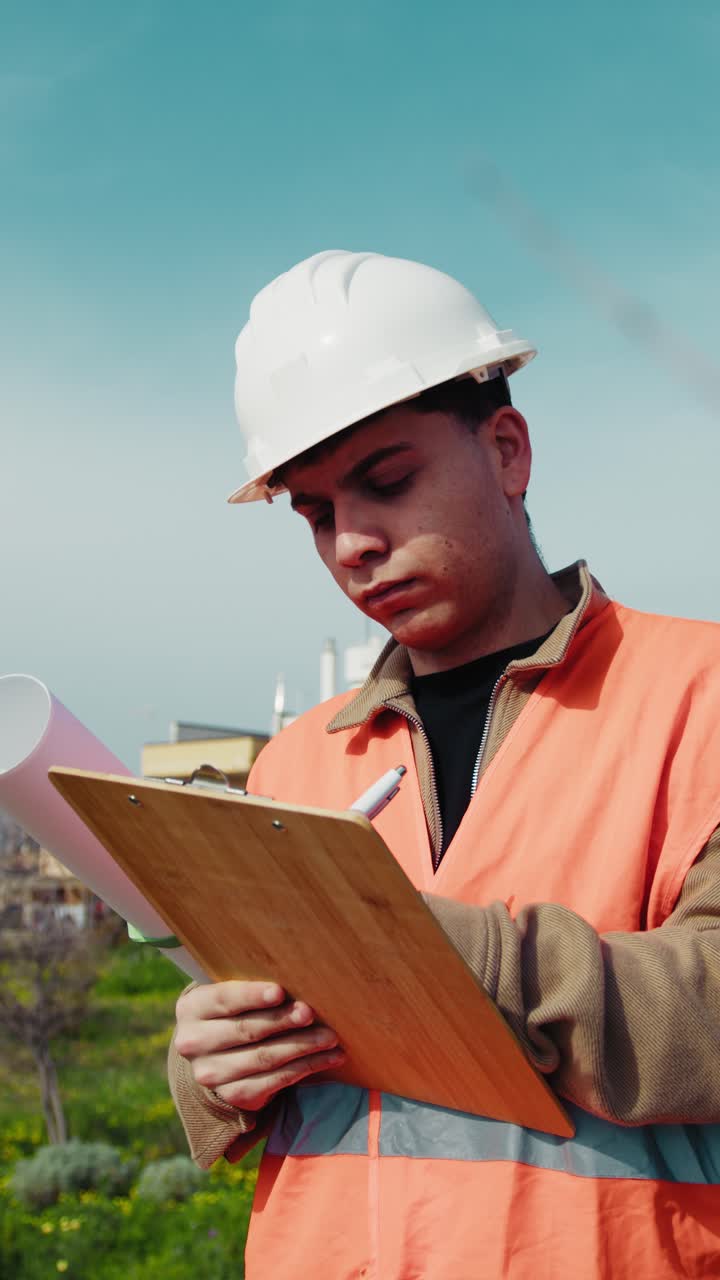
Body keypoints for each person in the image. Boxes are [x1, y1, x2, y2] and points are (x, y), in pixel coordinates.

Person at [169, 250, 720, 1279]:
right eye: (318, 512)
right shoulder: (298, 757)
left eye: (387, 481)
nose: (352, 544)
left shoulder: (701, 694)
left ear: (507, 450)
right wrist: (211, 1064)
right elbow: (255, 1039)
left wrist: (441, 958)